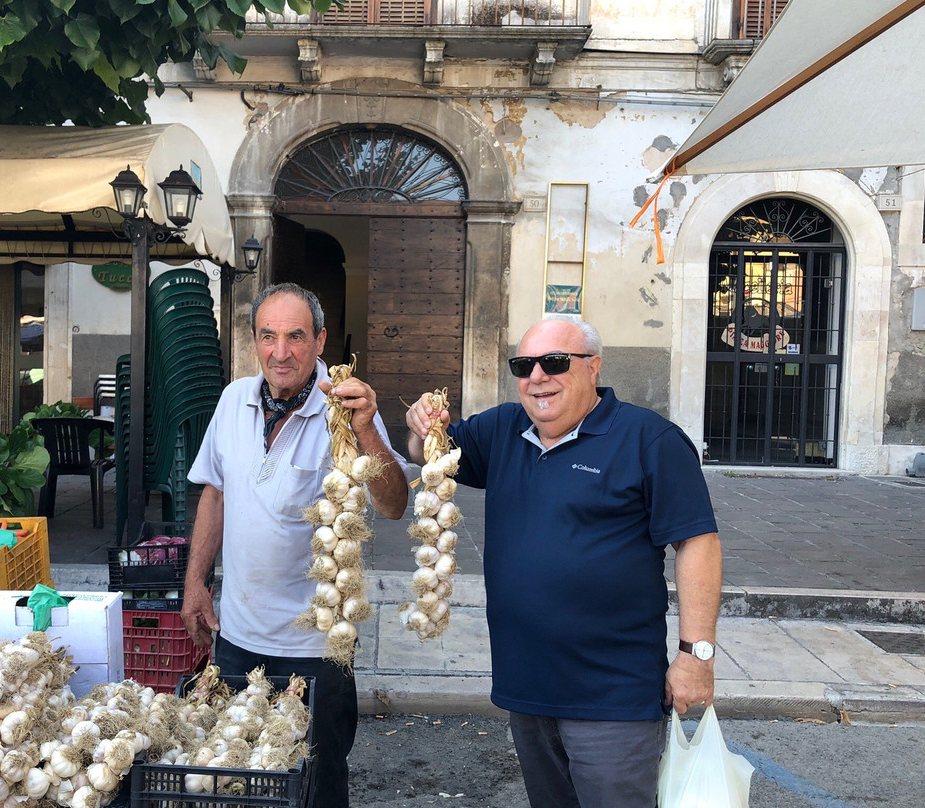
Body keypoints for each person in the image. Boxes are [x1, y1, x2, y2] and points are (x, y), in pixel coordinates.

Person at [406, 317, 722, 808]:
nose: (537, 376)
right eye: (524, 364)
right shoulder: (504, 429)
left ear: (592, 367)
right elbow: (432, 453)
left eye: (554, 362)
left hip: (611, 698)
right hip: (526, 690)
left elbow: (698, 544)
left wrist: (695, 656)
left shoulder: (649, 440)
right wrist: (420, 427)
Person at [183, 282, 411, 807]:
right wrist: (196, 581)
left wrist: (367, 433)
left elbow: (394, 504)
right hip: (237, 635)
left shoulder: (346, 407)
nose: (280, 352)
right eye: (268, 336)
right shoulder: (232, 398)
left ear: (320, 340)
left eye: (295, 336)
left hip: (316, 648)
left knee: (318, 777)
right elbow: (215, 493)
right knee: (240, 772)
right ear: (254, 340)